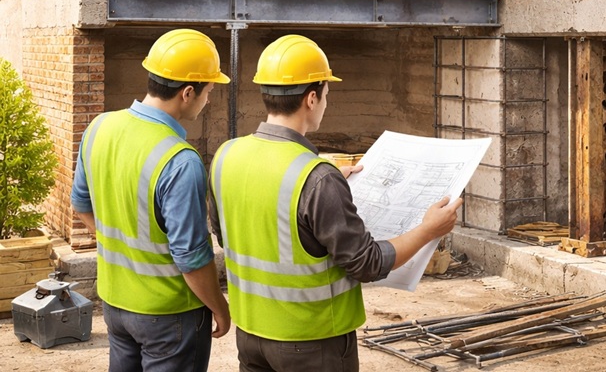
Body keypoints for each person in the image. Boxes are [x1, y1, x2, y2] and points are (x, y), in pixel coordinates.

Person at [209, 34, 461, 372]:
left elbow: (232, 234)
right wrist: (428, 230)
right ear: (311, 98)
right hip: (313, 340)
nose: (326, 102)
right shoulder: (316, 178)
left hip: (252, 335)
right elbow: (367, 263)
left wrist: (321, 189)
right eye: (327, 94)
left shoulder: (227, 155)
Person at [71, 28, 232, 372]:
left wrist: (123, 247)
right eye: (209, 91)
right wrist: (219, 306)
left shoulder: (99, 127)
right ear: (188, 92)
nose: (209, 100)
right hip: (169, 314)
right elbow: (190, 256)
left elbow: (81, 204)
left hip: (116, 304)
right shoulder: (180, 160)